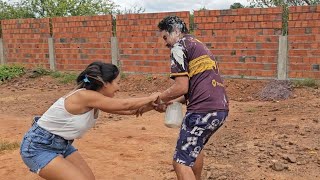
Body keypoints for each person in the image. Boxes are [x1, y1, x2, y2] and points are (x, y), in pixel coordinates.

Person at [20, 61, 160, 180]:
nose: (119, 87)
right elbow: (124, 104)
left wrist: (152, 106)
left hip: (62, 145)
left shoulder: (95, 100)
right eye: (117, 83)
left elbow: (128, 110)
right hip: (38, 147)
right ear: (105, 83)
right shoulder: (84, 96)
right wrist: (151, 97)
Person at [139, 16, 229, 180]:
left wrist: (158, 99)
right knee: (195, 148)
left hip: (201, 111)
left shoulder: (179, 46)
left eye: (165, 37)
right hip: (219, 108)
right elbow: (195, 86)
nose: (165, 43)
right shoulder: (198, 44)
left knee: (181, 162)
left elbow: (181, 87)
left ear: (176, 31)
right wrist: (172, 101)